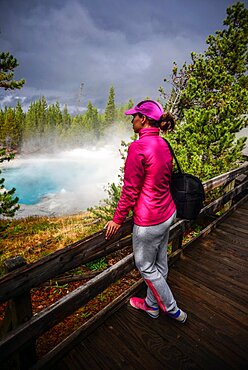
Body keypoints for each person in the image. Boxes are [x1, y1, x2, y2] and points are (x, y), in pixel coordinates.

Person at [105, 99, 187, 323]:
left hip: (149, 220)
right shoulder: (163, 144)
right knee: (160, 264)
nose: (132, 120)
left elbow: (130, 189)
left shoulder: (138, 147)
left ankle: (171, 309)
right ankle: (151, 305)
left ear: (143, 119)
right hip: (167, 213)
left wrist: (117, 219)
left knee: (145, 266)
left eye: (134, 116)